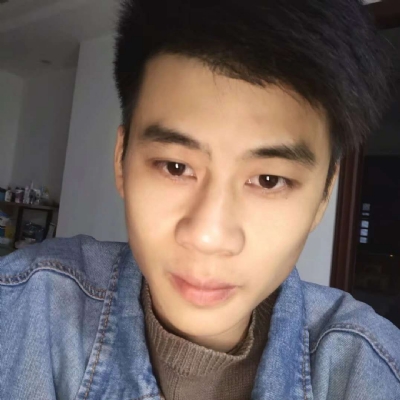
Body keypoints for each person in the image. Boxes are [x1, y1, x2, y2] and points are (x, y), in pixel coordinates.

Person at [1, 0, 399, 399]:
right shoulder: (23, 308)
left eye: (268, 180)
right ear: (121, 160)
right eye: (175, 167)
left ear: (323, 195)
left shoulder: (370, 370)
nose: (208, 236)